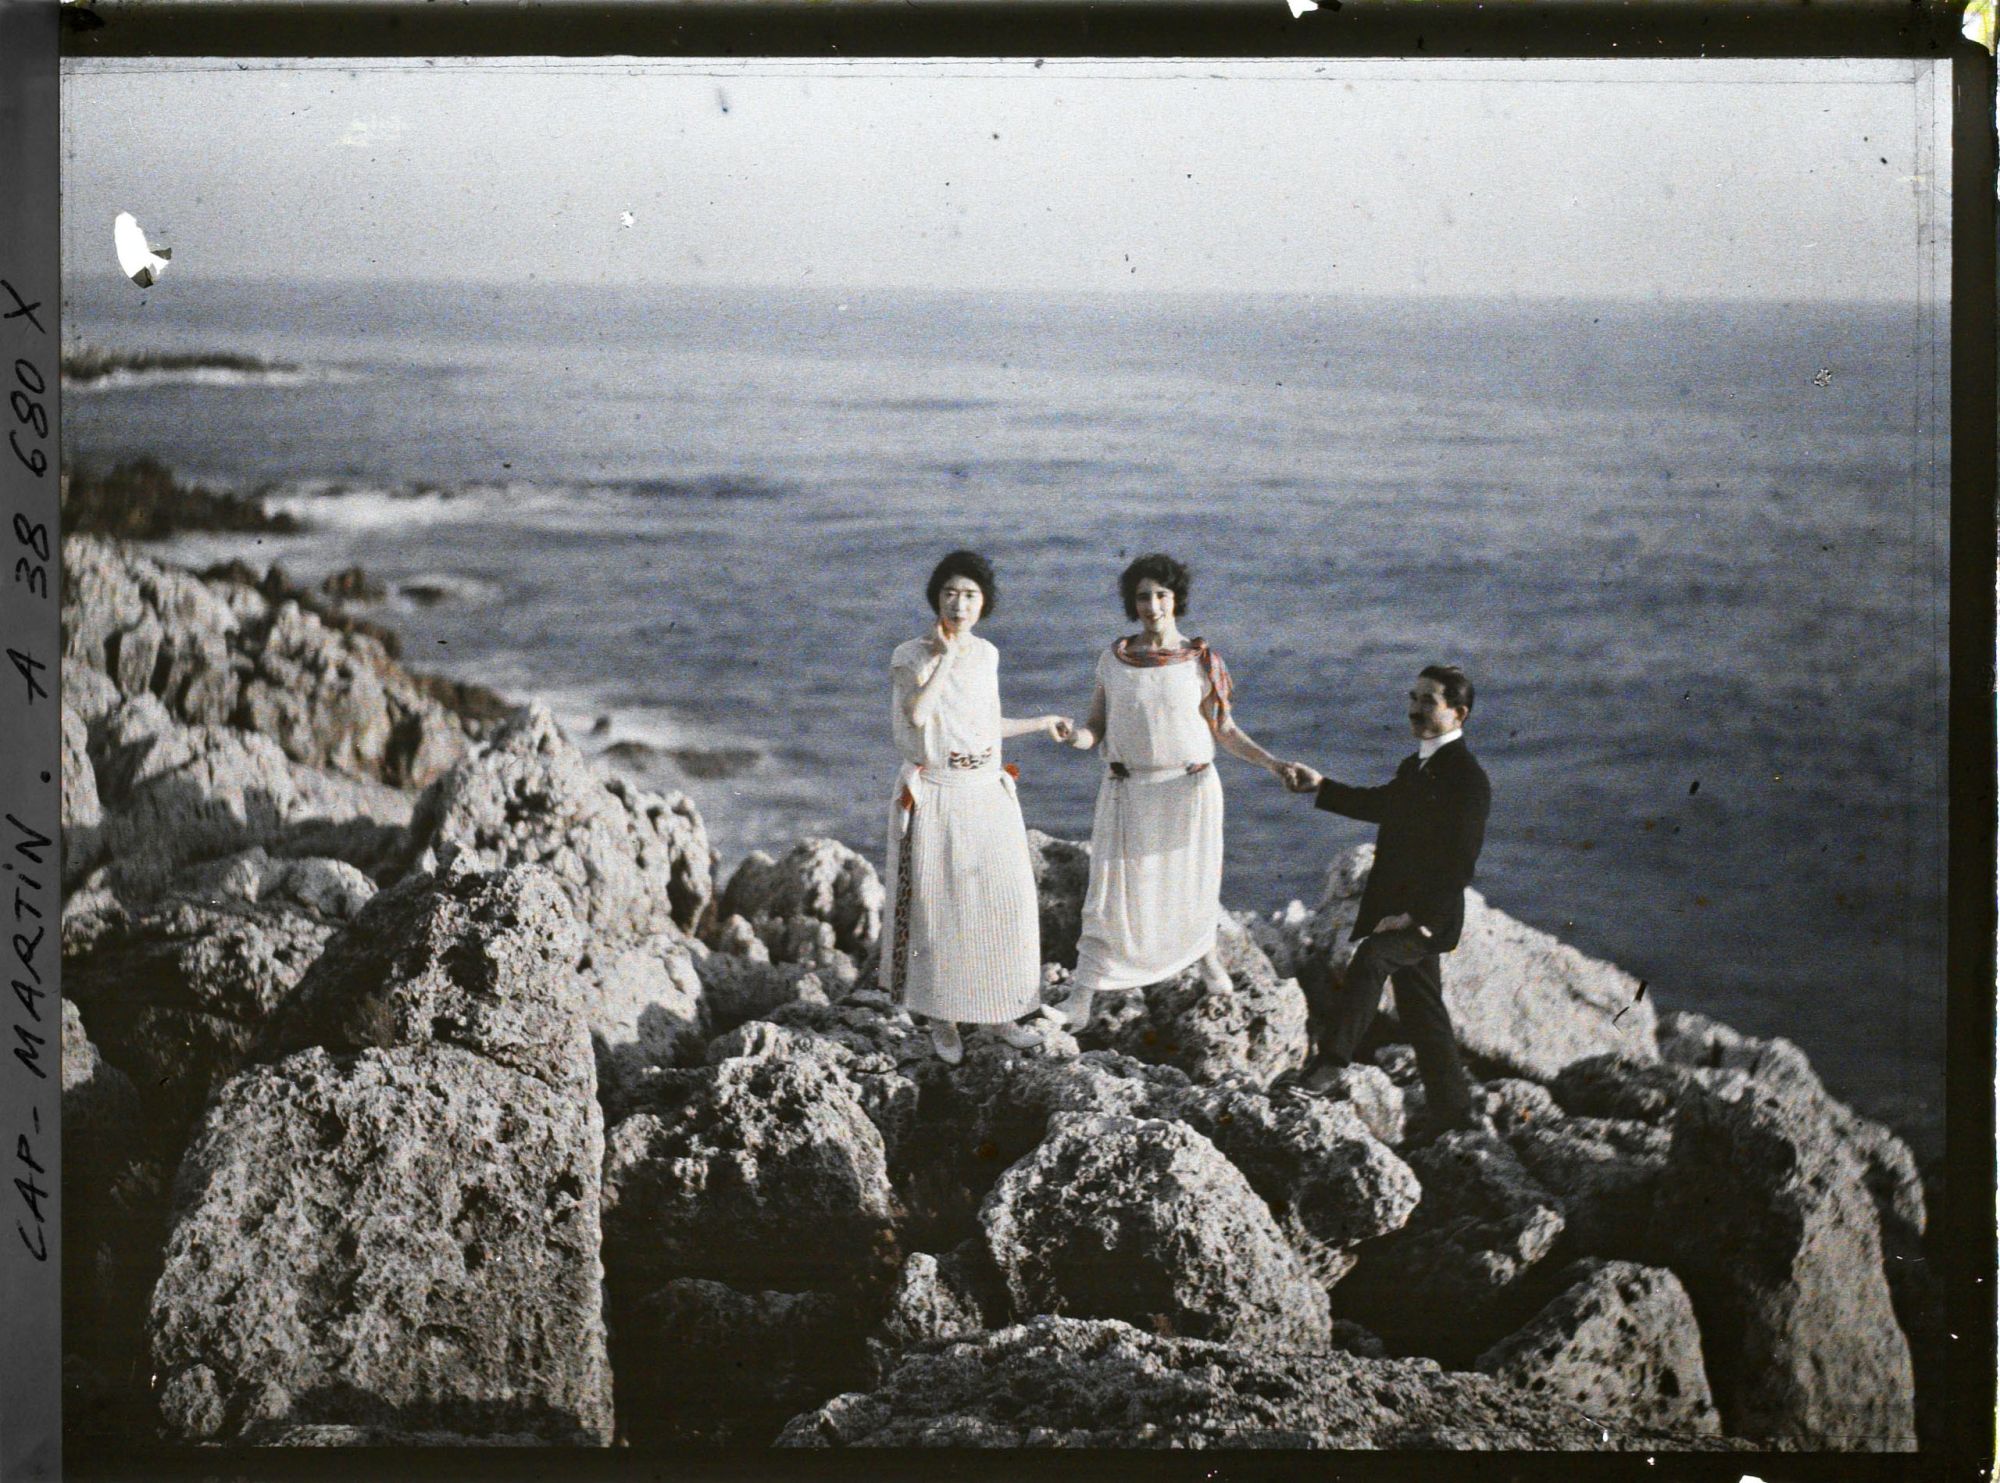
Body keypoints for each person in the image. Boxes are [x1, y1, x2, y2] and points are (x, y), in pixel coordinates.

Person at [1051, 553, 1291, 1030]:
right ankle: (1080, 999)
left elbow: (1225, 730)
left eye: (1161, 595)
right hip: (1128, 790)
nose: (1152, 605)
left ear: (1176, 598)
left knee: (1193, 886)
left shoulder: (1200, 660)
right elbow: (1096, 727)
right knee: (1108, 895)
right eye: (1142, 596)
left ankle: (1205, 961)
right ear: (1132, 602)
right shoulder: (1114, 658)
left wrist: (1273, 763)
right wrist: (1074, 737)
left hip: (1190, 788)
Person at [1281, 664, 1492, 1130]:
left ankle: (1333, 1063)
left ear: (1458, 714)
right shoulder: (1417, 766)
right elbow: (1382, 805)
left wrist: (1416, 918)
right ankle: (1455, 1114)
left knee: (1374, 958)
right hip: (1403, 910)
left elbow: (1461, 860)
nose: (1414, 709)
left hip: (1428, 918)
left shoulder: (1467, 779)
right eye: (1412, 698)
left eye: (1427, 701)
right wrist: (1321, 787)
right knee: (1423, 1015)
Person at [884, 550, 1075, 1064]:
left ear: (983, 602)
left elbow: (987, 726)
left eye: (970, 594)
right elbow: (920, 714)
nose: (959, 603)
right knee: (941, 911)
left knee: (1002, 906)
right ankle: (942, 1020)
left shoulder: (988, 654)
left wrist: (1041, 723)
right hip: (940, 790)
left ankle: (1006, 1014)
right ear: (936, 597)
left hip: (987, 790)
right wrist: (946, 656)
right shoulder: (910, 654)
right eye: (950, 593)